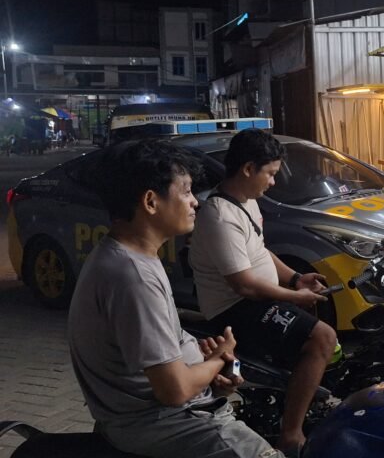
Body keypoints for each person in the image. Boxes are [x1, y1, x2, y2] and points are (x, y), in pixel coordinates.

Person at [68, 139, 283, 458]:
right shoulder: (134, 276)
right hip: (167, 422)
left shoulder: (128, 257)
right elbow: (175, 389)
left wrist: (208, 369)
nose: (195, 202)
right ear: (151, 201)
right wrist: (218, 359)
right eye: (185, 191)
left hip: (158, 414)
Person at [189, 128, 336, 454]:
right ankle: (291, 433)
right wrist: (296, 296)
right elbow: (244, 284)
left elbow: (259, 250)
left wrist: (296, 278)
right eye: (269, 173)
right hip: (234, 308)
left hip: (254, 300)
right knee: (323, 338)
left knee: (315, 323)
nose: (272, 181)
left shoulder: (246, 202)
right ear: (247, 169)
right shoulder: (219, 215)